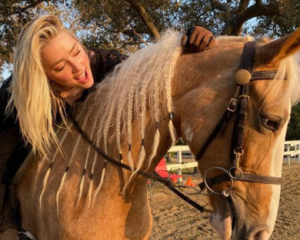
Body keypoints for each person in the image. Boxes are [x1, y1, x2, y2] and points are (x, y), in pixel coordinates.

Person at [0, 15, 216, 233]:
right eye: (60, 67)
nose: (78, 67)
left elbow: (152, 72)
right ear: (45, 75)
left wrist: (189, 42)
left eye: (76, 51)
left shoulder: (106, 63)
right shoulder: (23, 100)